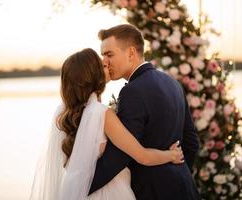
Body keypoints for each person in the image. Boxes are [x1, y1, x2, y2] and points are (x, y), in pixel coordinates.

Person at [29, 48, 184, 200]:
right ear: (94, 76)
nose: (108, 65)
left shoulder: (63, 115)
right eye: (102, 65)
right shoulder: (102, 114)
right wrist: (172, 155)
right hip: (109, 193)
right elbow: (142, 156)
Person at [88, 24, 200, 200]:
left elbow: (119, 155)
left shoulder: (132, 91)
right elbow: (192, 143)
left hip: (152, 193)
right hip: (185, 189)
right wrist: (177, 175)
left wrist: (81, 186)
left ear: (131, 52)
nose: (104, 62)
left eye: (109, 54)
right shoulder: (173, 83)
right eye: (103, 55)